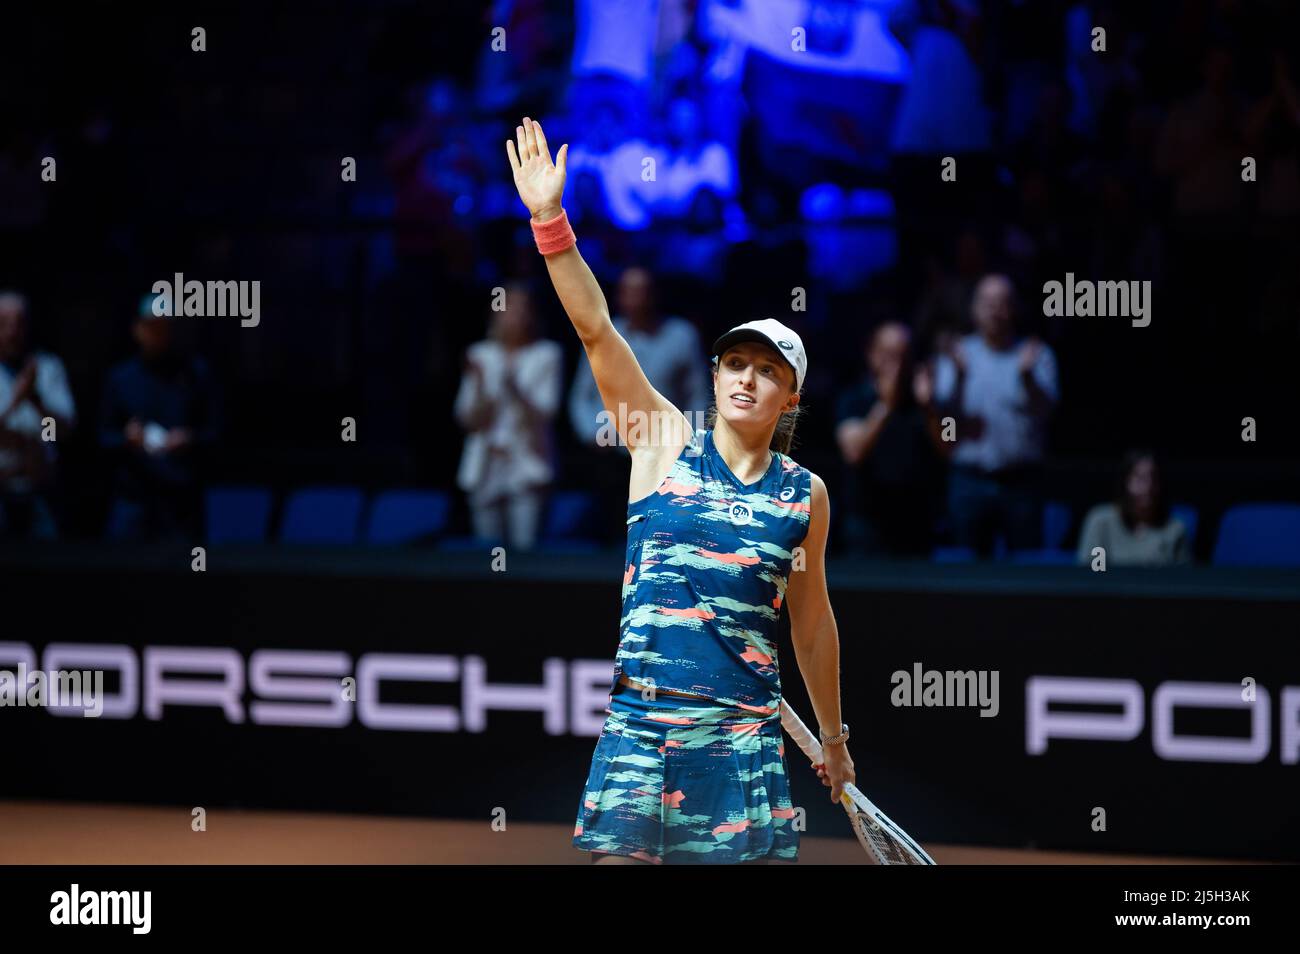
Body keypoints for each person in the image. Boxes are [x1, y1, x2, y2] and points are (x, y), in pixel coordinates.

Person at [506, 116, 853, 865]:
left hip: (741, 748)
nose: (746, 379)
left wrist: (832, 737)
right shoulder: (660, 438)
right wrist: (550, 221)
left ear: (789, 399)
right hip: (640, 727)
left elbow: (813, 624)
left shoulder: (805, 495)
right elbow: (597, 331)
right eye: (735, 364)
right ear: (718, 373)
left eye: (767, 371)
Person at [933, 273, 1058, 556]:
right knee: (963, 573)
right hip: (969, 480)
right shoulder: (957, 355)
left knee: (1027, 571)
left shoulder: (1036, 355)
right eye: (987, 302)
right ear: (974, 309)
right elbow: (942, 422)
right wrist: (961, 377)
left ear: (1014, 308)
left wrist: (1027, 378)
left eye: (1003, 303)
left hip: (1021, 482)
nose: (995, 310)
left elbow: (1048, 412)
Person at [99, 296, 222, 542]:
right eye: (153, 326)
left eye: (168, 326)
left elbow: (217, 432)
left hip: (181, 498)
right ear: (138, 329)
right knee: (123, 573)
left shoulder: (197, 375)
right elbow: (103, 436)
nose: (160, 334)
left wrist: (191, 438)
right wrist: (127, 438)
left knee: (185, 574)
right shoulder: (120, 378)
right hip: (133, 497)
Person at [453, 283, 562, 550]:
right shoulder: (480, 354)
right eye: (507, 308)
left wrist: (512, 384)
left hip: (527, 464)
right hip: (485, 465)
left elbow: (544, 414)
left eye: (521, 309)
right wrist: (479, 385)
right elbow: (468, 419)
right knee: (486, 551)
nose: (513, 315)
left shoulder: (546, 354)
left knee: (524, 548)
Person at [834, 322, 947, 557]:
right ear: (872, 355)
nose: (897, 364)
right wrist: (886, 405)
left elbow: (948, 449)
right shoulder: (854, 398)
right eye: (889, 355)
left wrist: (929, 408)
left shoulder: (925, 403)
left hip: (916, 524)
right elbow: (853, 452)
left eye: (904, 356)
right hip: (866, 523)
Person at [0, 291, 77, 539]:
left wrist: (35, 401)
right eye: (5, 323)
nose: (13, 331)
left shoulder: (47, 367)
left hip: (41, 490)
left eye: (19, 323)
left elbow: (58, 431)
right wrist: (15, 401)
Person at [1076, 450, 1190, 567]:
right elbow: (1092, 572)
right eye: (1140, 479)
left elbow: (1181, 580)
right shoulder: (1101, 523)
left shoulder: (1174, 529)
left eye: (1154, 479)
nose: (1148, 487)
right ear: (1125, 482)